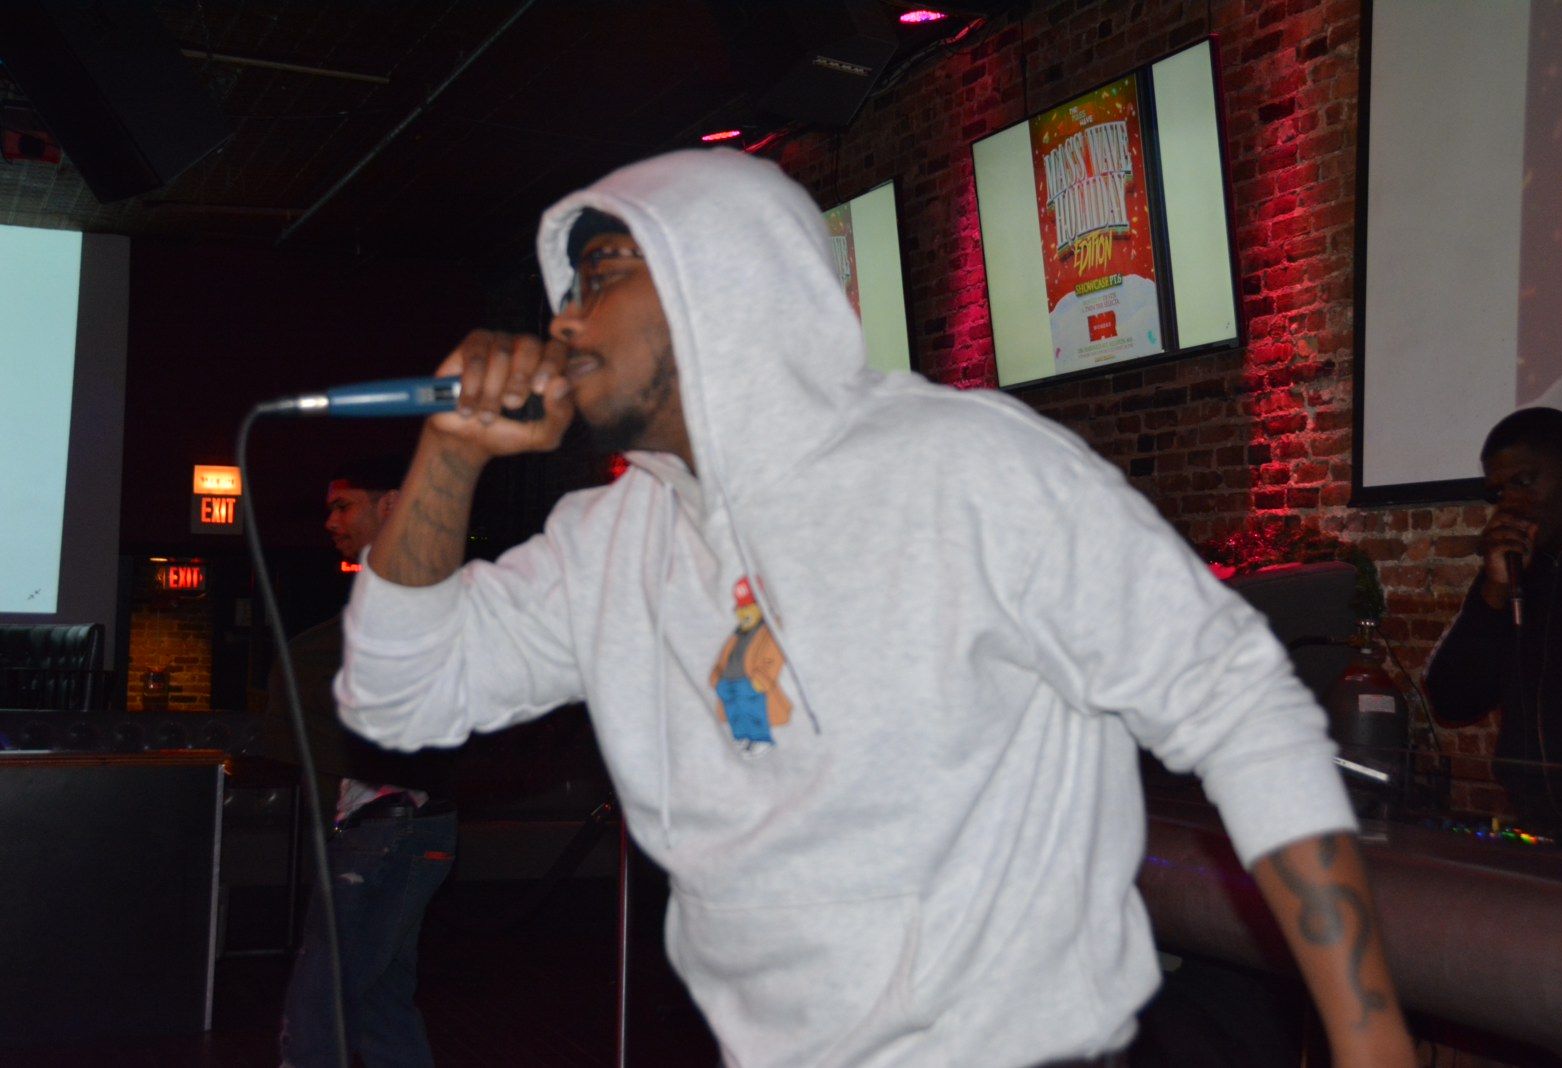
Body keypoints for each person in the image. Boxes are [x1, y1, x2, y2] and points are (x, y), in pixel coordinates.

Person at [335, 149, 1411, 1066]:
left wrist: (1370, 1048)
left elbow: (1238, 706)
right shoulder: (606, 545)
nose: (564, 319)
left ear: (726, 277)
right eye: (566, 287)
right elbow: (397, 696)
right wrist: (451, 450)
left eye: (603, 273)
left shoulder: (965, 469)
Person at [267, 456, 457, 1068]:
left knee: (321, 1006)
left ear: (392, 504)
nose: (330, 522)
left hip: (390, 826)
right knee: (376, 1005)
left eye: (343, 506)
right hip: (394, 826)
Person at [1425, 407, 1562, 844]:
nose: (1510, 503)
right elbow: (1454, 700)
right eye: (1499, 492)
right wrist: (1494, 591)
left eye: (1524, 482)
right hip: (1543, 832)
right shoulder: (1520, 563)